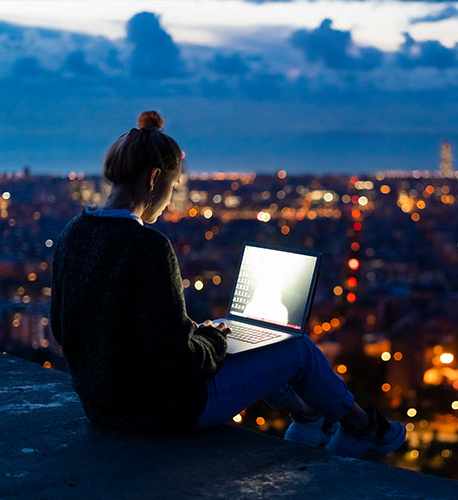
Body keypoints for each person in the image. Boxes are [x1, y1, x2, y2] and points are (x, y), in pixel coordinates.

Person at [49, 111, 405, 458]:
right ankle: (361, 429)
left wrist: (192, 333)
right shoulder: (148, 248)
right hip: (161, 411)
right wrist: (212, 340)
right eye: (173, 188)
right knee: (296, 349)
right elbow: (182, 359)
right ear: (155, 179)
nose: (171, 200)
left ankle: (309, 419)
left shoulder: (73, 234)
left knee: (250, 346)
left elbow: (64, 329)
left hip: (101, 406)